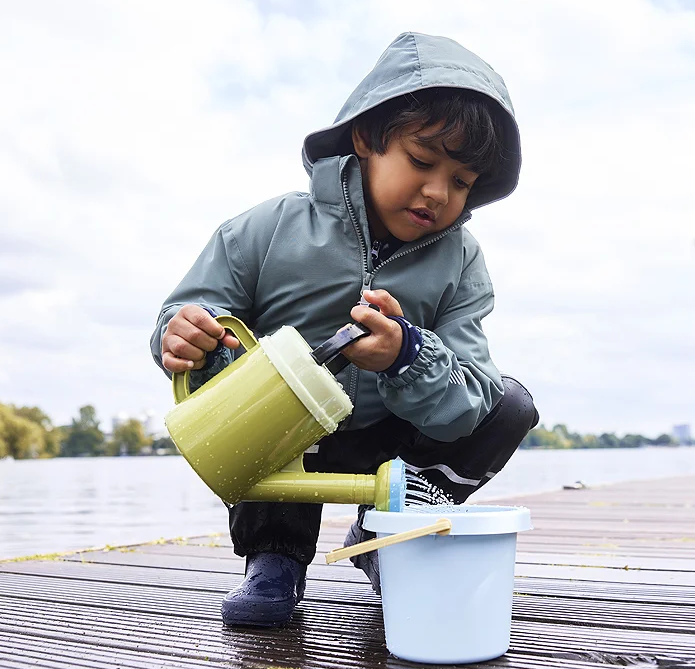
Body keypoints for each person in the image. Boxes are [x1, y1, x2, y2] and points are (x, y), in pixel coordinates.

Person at [149, 32, 538, 628]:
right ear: (366, 139)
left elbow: (472, 399)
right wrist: (181, 335)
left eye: (462, 181)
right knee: (257, 415)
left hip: (392, 432)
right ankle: (273, 557)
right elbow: (190, 311)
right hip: (283, 433)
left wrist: (409, 357)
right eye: (422, 161)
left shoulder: (462, 261)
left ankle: (389, 526)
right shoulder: (267, 228)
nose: (439, 192)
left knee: (510, 407)